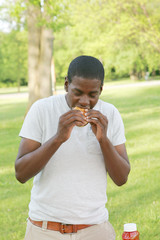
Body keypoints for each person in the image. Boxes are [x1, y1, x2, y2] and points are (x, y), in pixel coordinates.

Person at [15, 55, 130, 240]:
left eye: (93, 94)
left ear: (100, 90)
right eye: (77, 92)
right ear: (66, 84)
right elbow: (21, 173)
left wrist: (103, 141)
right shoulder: (41, 109)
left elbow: (121, 178)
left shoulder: (110, 114)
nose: (84, 101)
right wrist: (58, 138)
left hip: (95, 228)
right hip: (44, 229)